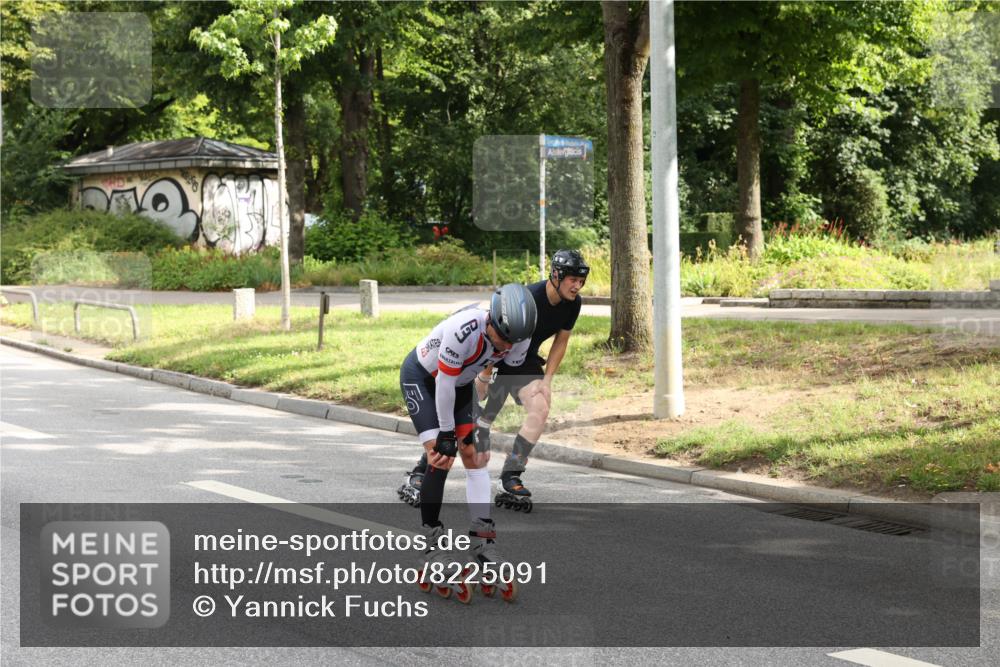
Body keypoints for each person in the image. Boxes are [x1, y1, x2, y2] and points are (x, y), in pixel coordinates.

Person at [400, 249, 589, 512]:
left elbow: (562, 340)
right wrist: (485, 374)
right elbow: (496, 334)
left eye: (581, 282)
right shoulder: (529, 298)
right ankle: (422, 469)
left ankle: (511, 475)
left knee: (541, 408)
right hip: (496, 352)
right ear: (556, 275)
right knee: (466, 419)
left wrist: (547, 380)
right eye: (573, 280)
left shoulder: (573, 303)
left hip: (524, 361)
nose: (577, 286)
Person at [398, 283, 536, 602]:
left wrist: (482, 420)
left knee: (475, 455)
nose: (505, 348)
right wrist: (446, 435)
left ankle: (483, 542)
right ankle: (432, 547)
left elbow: (501, 374)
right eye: (501, 339)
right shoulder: (464, 330)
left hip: (461, 384)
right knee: (440, 457)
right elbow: (444, 384)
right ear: (491, 321)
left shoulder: (518, 336)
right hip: (425, 377)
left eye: (511, 343)